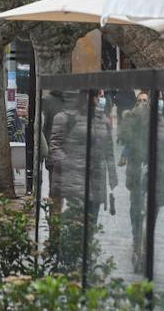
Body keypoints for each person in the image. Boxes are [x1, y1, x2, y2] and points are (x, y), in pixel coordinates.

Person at [118, 90, 164, 273]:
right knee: (137, 210)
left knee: (152, 213)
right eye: (155, 98)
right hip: (138, 172)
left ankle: (145, 244)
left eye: (160, 99)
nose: (158, 102)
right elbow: (124, 135)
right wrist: (135, 116)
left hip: (157, 175)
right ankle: (137, 243)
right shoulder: (136, 117)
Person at [47, 93, 117, 232]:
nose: (100, 100)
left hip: (97, 180)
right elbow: (54, 146)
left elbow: (108, 150)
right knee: (77, 220)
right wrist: (70, 164)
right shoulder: (66, 118)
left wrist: (112, 175)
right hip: (76, 179)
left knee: (91, 223)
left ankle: (87, 250)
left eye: (102, 96)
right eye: (98, 96)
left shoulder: (103, 120)